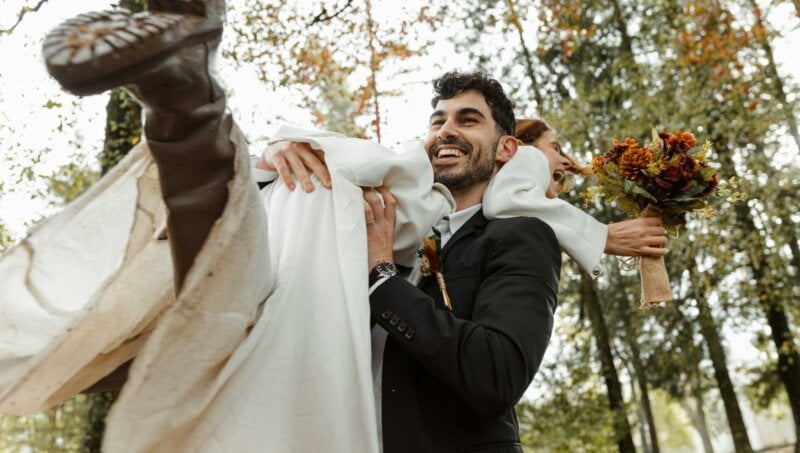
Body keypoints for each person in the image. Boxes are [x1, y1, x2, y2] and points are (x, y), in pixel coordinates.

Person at [515, 118, 669, 267]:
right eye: (555, 147)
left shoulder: (530, 232)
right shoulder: (506, 206)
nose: (567, 162)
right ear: (516, 148)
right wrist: (603, 237)